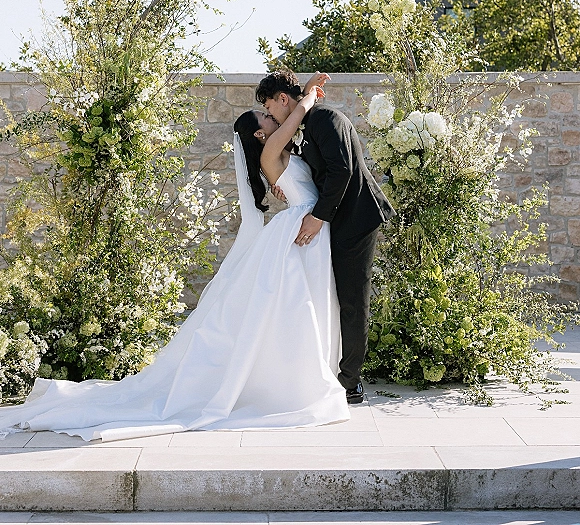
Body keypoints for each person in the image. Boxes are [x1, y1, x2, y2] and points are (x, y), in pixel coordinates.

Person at [0, 82, 349, 442]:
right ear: (260, 134)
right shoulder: (270, 150)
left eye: (268, 109)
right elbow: (299, 114)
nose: (271, 115)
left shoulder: (281, 150)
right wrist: (306, 94)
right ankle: (299, 382)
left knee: (305, 304)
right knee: (300, 304)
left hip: (306, 223)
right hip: (303, 227)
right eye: (265, 115)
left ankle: (303, 373)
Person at [256, 70, 394, 404]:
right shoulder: (305, 122)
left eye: (269, 106)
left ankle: (350, 382)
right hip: (333, 223)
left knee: (352, 299)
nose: (269, 113)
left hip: (354, 221)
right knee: (334, 296)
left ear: (282, 99)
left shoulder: (327, 119)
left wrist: (318, 217)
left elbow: (341, 170)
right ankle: (331, 370)